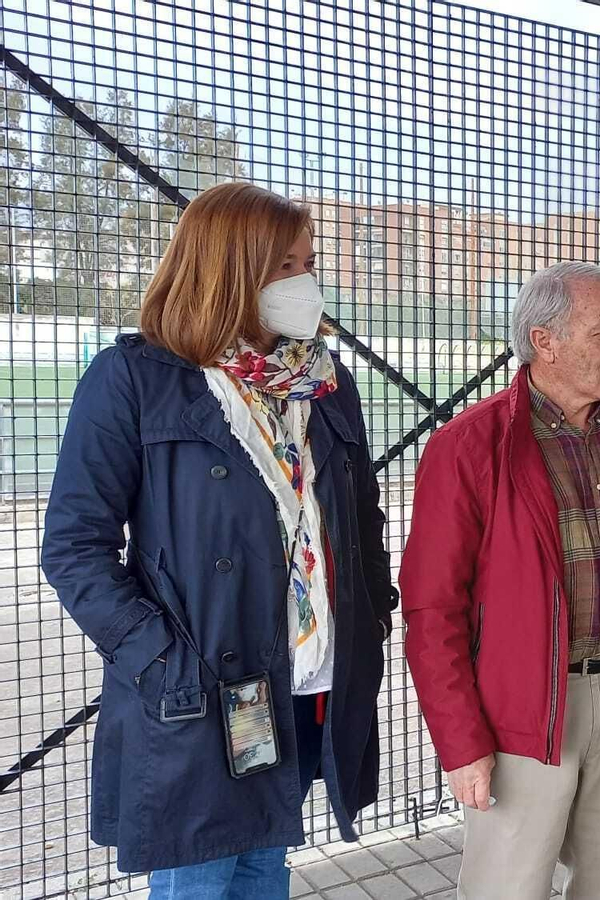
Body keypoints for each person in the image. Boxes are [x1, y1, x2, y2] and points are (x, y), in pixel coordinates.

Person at [40, 182, 397, 896]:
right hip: (202, 697)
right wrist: (165, 665)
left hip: (302, 684)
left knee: (265, 868)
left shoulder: (323, 382)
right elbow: (75, 547)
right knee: (200, 882)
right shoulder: (135, 378)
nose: (308, 282)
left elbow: (361, 516)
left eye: (310, 261)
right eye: (287, 265)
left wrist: (372, 618)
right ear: (232, 271)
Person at [401, 262, 600, 900]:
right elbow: (433, 610)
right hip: (526, 706)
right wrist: (461, 742)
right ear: (545, 341)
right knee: (507, 885)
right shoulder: (470, 445)